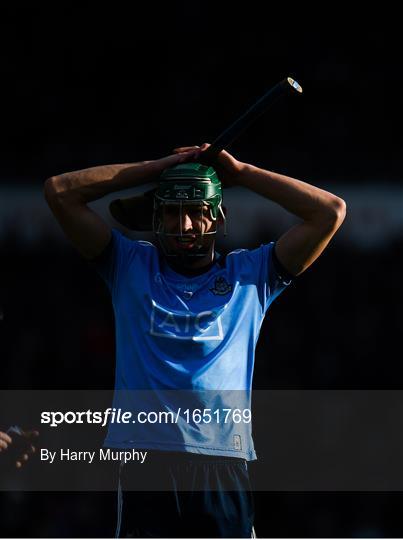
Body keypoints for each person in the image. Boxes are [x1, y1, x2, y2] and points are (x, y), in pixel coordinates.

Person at [44, 143, 346, 537]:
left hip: (223, 463)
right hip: (146, 464)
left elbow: (330, 211)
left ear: (217, 217)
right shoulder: (128, 264)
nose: (185, 226)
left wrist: (241, 173)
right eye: (173, 211)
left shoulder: (252, 276)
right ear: (156, 215)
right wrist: (156, 168)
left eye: (196, 213)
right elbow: (59, 192)